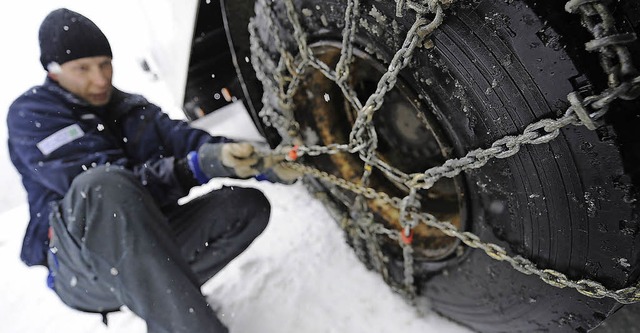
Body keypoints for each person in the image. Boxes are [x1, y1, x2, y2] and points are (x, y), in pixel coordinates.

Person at [7, 8, 299, 333]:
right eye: (83, 68)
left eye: (106, 63)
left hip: (148, 244)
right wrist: (194, 170)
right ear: (54, 70)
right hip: (83, 268)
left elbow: (186, 139)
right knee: (105, 185)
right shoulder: (33, 114)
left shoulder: (130, 107)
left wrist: (250, 160)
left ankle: (169, 300)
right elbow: (108, 186)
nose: (101, 78)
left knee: (244, 207)